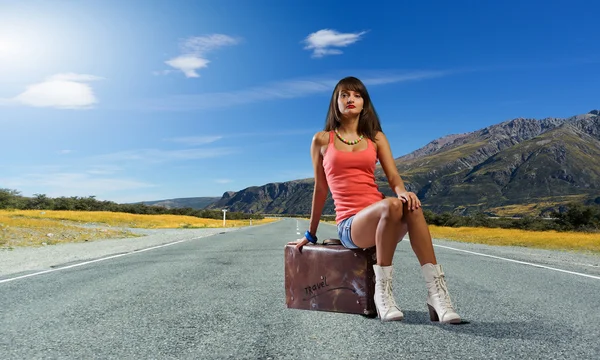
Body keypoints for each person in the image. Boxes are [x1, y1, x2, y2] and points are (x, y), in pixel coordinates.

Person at [292, 76, 462, 324]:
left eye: (357, 95)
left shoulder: (376, 138)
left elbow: (394, 177)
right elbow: (320, 190)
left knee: (410, 205)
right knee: (392, 204)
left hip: (384, 216)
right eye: (344, 95)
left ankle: (437, 295)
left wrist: (403, 191)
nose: (351, 99)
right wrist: (310, 234)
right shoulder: (322, 140)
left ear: (364, 103)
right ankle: (383, 294)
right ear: (335, 102)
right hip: (351, 225)